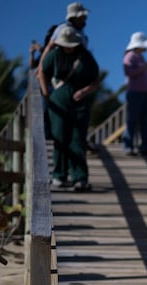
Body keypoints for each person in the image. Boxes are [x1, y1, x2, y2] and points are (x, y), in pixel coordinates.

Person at [40, 25, 100, 191]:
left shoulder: (85, 57)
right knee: (60, 138)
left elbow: (96, 80)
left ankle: (80, 178)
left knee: (77, 139)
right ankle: (59, 175)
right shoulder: (54, 55)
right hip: (58, 100)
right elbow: (42, 72)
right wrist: (46, 94)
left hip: (80, 102)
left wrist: (85, 91)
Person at [122, 32, 147, 156]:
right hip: (135, 92)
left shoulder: (140, 57)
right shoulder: (130, 56)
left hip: (145, 92)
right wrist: (144, 68)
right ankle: (128, 145)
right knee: (132, 119)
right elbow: (128, 72)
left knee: (143, 120)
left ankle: (145, 146)